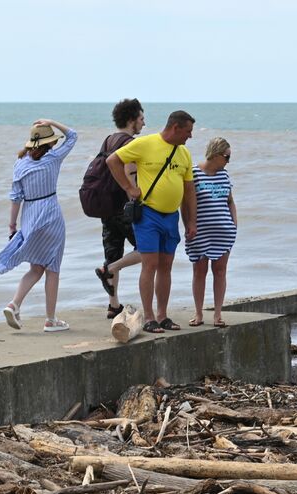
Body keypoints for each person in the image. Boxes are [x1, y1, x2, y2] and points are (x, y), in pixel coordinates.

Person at [107, 110, 196, 333]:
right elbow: (113, 160)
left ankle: (162, 315)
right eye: (188, 131)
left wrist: (191, 222)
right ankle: (148, 317)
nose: (190, 136)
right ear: (175, 128)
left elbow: (188, 191)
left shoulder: (184, 153)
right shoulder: (146, 144)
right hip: (148, 215)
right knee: (150, 264)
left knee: (166, 266)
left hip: (171, 217)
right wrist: (129, 188)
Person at [0, 119, 77, 332]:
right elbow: (73, 135)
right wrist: (52, 122)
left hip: (29, 216)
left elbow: (15, 198)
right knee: (53, 268)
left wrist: (12, 226)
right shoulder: (53, 158)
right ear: (50, 142)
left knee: (36, 267)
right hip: (51, 215)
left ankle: (14, 304)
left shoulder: (20, 163)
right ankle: (50, 319)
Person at [93, 98, 145, 319]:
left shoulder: (108, 140)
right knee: (147, 248)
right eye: (141, 118)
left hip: (105, 205)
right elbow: (130, 172)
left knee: (112, 252)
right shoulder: (129, 143)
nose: (144, 123)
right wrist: (134, 196)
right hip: (123, 207)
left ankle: (113, 305)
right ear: (132, 120)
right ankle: (110, 270)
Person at [186, 137, 238, 327]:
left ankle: (217, 314)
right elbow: (186, 203)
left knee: (220, 271)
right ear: (215, 155)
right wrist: (188, 225)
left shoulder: (224, 175)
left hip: (224, 232)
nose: (228, 162)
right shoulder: (193, 173)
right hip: (199, 232)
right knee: (199, 271)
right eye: (226, 157)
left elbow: (230, 201)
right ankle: (199, 313)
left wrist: (234, 224)